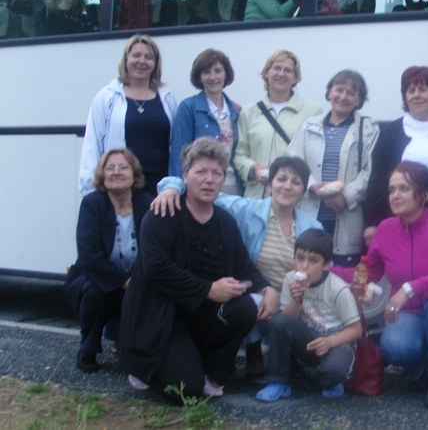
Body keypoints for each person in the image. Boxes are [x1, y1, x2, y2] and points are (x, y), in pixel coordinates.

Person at [118, 138, 270, 399]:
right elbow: (156, 268)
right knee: (185, 390)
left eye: (217, 173)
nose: (209, 180)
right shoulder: (162, 214)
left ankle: (207, 370)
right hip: (161, 317)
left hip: (200, 316)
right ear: (185, 176)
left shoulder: (225, 221)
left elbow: (244, 266)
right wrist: (208, 289)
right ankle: (143, 368)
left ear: (223, 179)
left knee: (245, 308)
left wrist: (267, 289)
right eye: (201, 172)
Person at [151, 156, 322, 380]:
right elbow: (200, 188)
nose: (287, 186)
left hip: (295, 299)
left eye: (296, 182)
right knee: (248, 303)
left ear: (303, 191)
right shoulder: (245, 209)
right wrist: (171, 188)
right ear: (270, 183)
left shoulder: (313, 227)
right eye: (281, 179)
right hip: (259, 294)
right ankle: (253, 349)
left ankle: (288, 351)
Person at [367, 161, 428, 408]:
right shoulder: (385, 229)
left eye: (403, 188)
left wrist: (410, 288)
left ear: (423, 195)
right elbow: (371, 272)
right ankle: (421, 372)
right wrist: (363, 286)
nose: (395, 195)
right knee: (394, 347)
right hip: (408, 311)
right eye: (392, 190)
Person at [64, 148, 152, 373]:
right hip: (97, 276)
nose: (116, 172)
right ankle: (88, 348)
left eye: (123, 167)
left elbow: (156, 250)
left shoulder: (148, 204)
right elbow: (89, 255)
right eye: (109, 168)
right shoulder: (92, 203)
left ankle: (129, 345)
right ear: (102, 175)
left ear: (134, 173)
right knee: (95, 292)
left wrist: (138, 281)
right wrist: (124, 282)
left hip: (138, 277)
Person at [255, 228, 361, 402]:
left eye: (313, 261)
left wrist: (329, 342)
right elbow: (285, 321)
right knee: (277, 322)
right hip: (309, 338)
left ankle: (330, 379)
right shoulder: (290, 279)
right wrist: (297, 300)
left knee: (333, 371)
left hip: (336, 342)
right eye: (300, 258)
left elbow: (356, 330)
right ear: (294, 258)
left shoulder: (338, 288)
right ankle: (278, 381)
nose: (304, 266)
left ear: (326, 265)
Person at [286, 69, 379, 267]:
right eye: (339, 90)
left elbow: (371, 172)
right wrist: (312, 186)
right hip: (310, 213)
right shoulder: (309, 126)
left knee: (341, 275)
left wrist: (345, 196)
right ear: (329, 92)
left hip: (346, 219)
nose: (343, 97)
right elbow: (293, 161)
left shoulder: (369, 129)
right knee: (308, 271)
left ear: (359, 99)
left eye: (351, 93)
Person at [79, 34, 178, 197]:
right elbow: (92, 144)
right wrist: (90, 191)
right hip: (122, 186)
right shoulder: (107, 97)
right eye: (136, 55)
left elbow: (175, 146)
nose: (142, 61)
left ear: (155, 63)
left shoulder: (167, 98)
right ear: (126, 60)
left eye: (148, 57)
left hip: (160, 189)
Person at [363, 66, 428, 246]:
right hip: (399, 220)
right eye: (411, 90)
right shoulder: (390, 132)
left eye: (423, 89)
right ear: (405, 97)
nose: (416, 95)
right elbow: (377, 180)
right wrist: (371, 223)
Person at [235, 50, 322, 198]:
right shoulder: (249, 112)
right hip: (257, 197)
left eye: (288, 70)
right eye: (276, 68)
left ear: (295, 78)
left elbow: (316, 158)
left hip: (294, 197)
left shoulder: (312, 111)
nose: (281, 74)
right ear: (266, 73)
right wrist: (254, 169)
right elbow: (240, 154)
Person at [170, 49, 242, 195]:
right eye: (206, 72)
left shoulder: (236, 110)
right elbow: (179, 155)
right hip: (201, 189)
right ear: (199, 77)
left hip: (233, 189)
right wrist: (178, 189)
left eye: (218, 71)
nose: (212, 77)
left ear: (226, 74)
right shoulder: (188, 108)